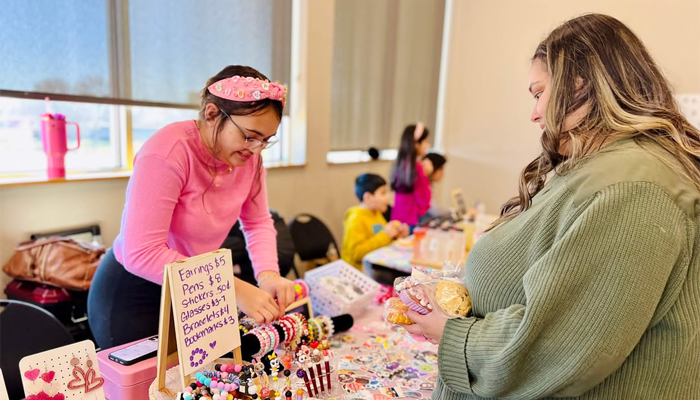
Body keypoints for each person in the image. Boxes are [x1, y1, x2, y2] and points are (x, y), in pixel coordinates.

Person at [401, 14, 700, 399]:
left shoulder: (633, 187)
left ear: (581, 84)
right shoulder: (602, 164)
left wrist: (450, 332)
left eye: (539, 93)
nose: (534, 113)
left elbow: (561, 345)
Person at [88, 65, 296, 349]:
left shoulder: (249, 159)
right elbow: (141, 252)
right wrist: (228, 286)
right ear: (212, 114)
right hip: (137, 292)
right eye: (250, 136)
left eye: (266, 140)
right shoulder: (168, 152)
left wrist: (269, 275)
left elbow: (257, 222)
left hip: (196, 290)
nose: (257, 149)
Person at [342, 174, 408, 270]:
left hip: (378, 264)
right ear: (368, 197)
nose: (388, 197)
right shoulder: (355, 219)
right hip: (361, 272)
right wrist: (386, 234)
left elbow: (378, 240)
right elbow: (356, 254)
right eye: (383, 193)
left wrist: (396, 235)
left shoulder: (376, 212)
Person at [390, 123, 432, 229]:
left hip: (397, 218)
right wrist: (426, 175)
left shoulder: (399, 164)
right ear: (416, 144)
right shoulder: (417, 168)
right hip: (412, 220)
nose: (428, 145)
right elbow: (425, 200)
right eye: (426, 141)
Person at [419, 153, 448, 225]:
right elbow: (434, 211)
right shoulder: (422, 187)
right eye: (441, 169)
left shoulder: (429, 186)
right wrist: (453, 212)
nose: (443, 173)